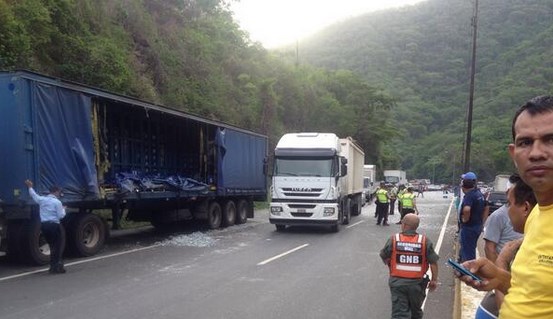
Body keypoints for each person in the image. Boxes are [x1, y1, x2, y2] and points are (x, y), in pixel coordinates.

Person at [458, 96, 553, 319]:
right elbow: (533, 295)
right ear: (514, 154)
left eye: (550, 139)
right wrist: (500, 277)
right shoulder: (537, 214)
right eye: (525, 142)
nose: (536, 152)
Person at [474, 175, 536, 319]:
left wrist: (501, 263)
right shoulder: (528, 240)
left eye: (509, 203)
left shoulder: (535, 249)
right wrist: (497, 274)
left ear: (526, 208)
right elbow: (489, 248)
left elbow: (507, 309)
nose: (507, 209)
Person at [380, 213, 439, 319]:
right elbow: (433, 262)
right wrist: (434, 280)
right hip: (417, 285)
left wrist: (389, 264)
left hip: (398, 284)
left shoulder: (394, 239)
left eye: (402, 222)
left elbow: (384, 255)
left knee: (400, 314)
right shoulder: (424, 241)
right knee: (415, 312)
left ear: (405, 225)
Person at [25, 179, 66, 274]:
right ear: (56, 192)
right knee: (57, 246)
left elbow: (34, 196)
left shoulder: (42, 200)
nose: (60, 194)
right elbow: (60, 216)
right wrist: (64, 210)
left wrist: (30, 187)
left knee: (52, 246)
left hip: (44, 226)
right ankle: (56, 267)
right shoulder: (57, 203)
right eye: (59, 192)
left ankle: (53, 267)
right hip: (54, 226)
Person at [482, 175, 523, 263]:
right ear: (508, 192)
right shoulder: (498, 216)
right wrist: (500, 272)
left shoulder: (533, 215)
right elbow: (489, 249)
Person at [458, 171, 487, 262]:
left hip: (469, 227)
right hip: (476, 226)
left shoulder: (469, 196)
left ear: (464, 184)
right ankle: (462, 264)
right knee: (468, 248)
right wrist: (482, 222)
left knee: (468, 253)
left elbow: (466, 209)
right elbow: (487, 207)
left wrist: (465, 219)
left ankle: (468, 272)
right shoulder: (479, 194)